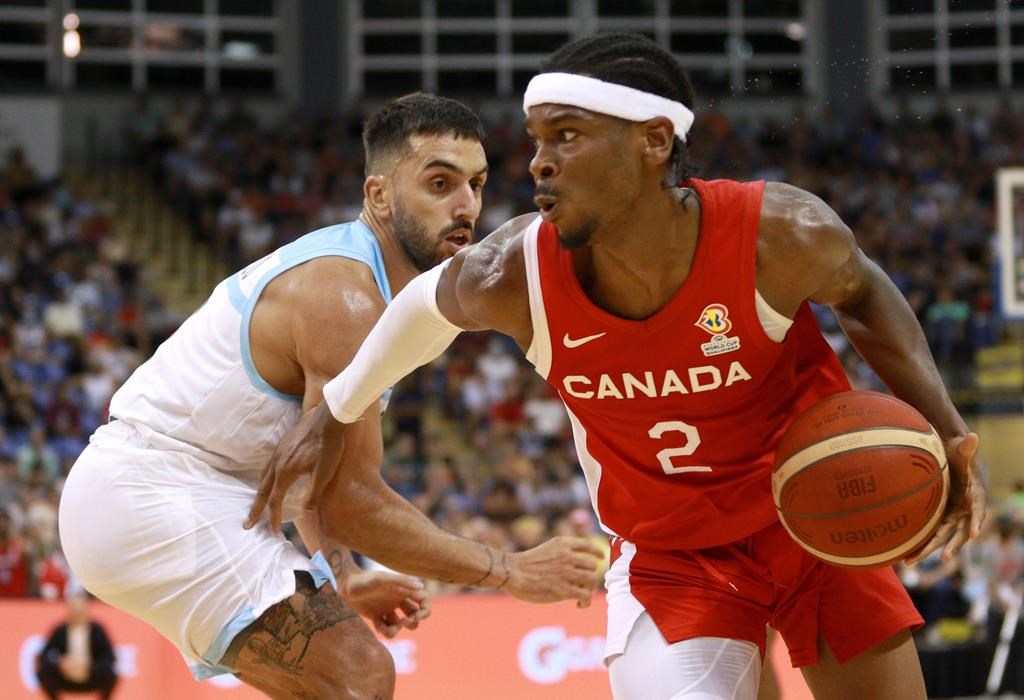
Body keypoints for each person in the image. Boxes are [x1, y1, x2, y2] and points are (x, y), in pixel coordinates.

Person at [249, 35, 987, 700]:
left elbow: (862, 292)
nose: (538, 160)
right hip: (672, 556)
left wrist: (949, 430)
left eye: (566, 137)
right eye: (537, 140)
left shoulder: (778, 234)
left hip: (814, 528)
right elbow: (420, 312)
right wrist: (336, 407)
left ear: (655, 142)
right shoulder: (516, 272)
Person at [59, 93, 602, 699]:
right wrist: (509, 570)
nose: (466, 205)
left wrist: (341, 572)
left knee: (331, 684)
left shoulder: (392, 298)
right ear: (379, 195)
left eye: (475, 184)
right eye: (440, 183)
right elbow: (350, 499)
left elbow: (319, 462)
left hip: (171, 494)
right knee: (359, 674)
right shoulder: (344, 295)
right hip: (155, 490)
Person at [36, 589, 118, 700]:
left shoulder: (97, 631)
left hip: (91, 677)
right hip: (64, 678)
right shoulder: (60, 631)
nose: (77, 614)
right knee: (43, 672)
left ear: (87, 611)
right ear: (68, 611)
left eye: (80, 611)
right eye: (74, 610)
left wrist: (90, 668)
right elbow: (45, 656)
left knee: (111, 674)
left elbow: (109, 657)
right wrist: (61, 663)